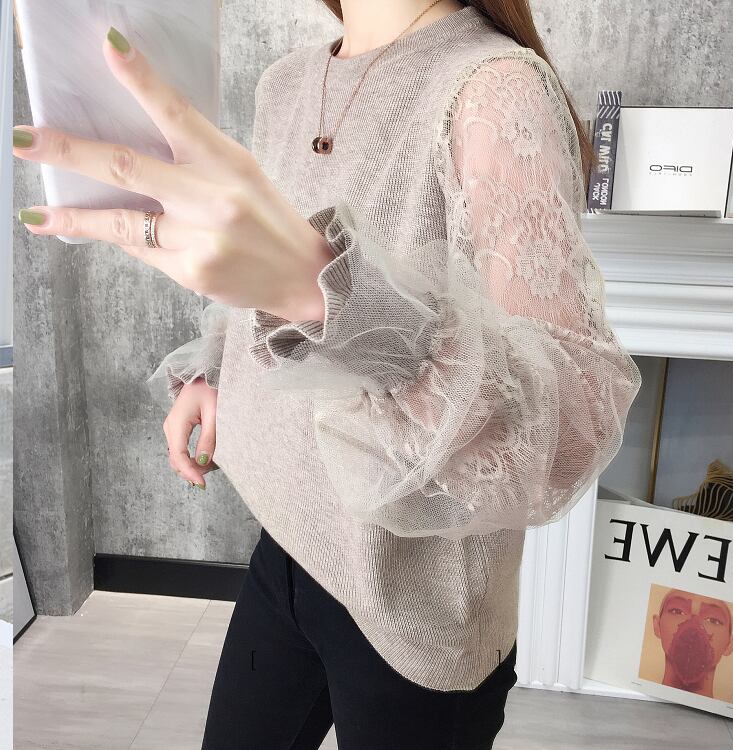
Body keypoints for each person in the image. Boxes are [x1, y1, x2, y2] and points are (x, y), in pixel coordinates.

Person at [12, 0, 643, 747]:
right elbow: (267, 281)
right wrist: (219, 372)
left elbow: (571, 421)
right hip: (287, 542)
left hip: (414, 604)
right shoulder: (286, 83)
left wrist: (332, 296)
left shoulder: (493, 86)